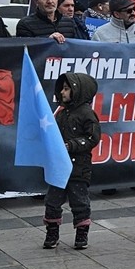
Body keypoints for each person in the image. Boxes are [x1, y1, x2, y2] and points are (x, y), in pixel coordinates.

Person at [43, 72, 101, 250]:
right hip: (58, 166)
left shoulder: (87, 114)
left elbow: (93, 138)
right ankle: (52, 233)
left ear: (78, 91)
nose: (62, 92)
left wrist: (71, 145)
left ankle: (82, 234)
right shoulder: (60, 112)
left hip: (78, 167)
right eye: (62, 88)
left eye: (67, 89)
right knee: (52, 201)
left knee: (80, 202)